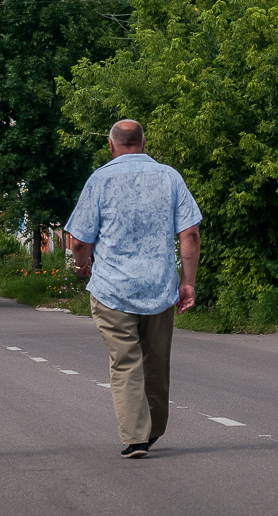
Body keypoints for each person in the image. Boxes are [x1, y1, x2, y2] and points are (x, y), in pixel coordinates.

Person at [68, 119, 201, 459]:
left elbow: (79, 240)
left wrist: (82, 264)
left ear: (111, 147)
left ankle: (135, 438)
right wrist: (188, 283)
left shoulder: (99, 180)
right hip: (159, 288)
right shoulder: (170, 177)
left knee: (125, 362)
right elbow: (190, 235)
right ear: (143, 143)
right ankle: (152, 430)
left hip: (112, 289)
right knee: (156, 364)